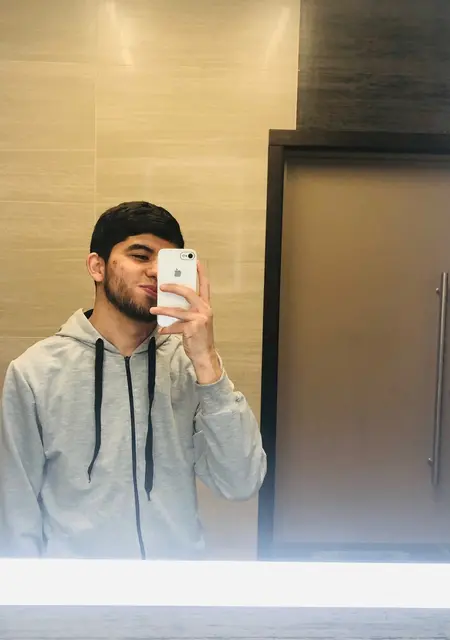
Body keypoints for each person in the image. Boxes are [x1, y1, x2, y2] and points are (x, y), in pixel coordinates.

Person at [0, 201, 266, 559]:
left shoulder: (190, 367)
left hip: (173, 588)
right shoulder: (36, 371)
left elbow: (241, 481)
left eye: (167, 262)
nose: (155, 272)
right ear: (97, 266)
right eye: (140, 256)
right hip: (76, 590)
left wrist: (207, 361)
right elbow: (16, 508)